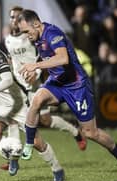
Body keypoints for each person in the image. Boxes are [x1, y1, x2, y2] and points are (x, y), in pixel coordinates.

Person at [17, 9, 117, 180]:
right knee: (37, 100)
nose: (26, 35)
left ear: (36, 24)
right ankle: (29, 142)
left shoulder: (53, 33)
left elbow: (63, 58)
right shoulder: (37, 38)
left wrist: (36, 66)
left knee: (90, 133)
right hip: (58, 82)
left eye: (27, 31)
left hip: (77, 86)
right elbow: (47, 57)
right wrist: (36, 67)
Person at [0, 27, 65, 181]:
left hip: (18, 103)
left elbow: (8, 81)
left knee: (36, 142)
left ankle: (57, 169)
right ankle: (12, 154)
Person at [5, 6, 86, 151]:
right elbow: (14, 59)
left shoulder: (31, 36)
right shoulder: (8, 40)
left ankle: (75, 131)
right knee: (13, 117)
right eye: (12, 17)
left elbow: (43, 55)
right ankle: (13, 156)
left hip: (34, 82)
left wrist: (35, 73)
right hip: (19, 83)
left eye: (17, 17)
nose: (14, 20)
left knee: (45, 120)